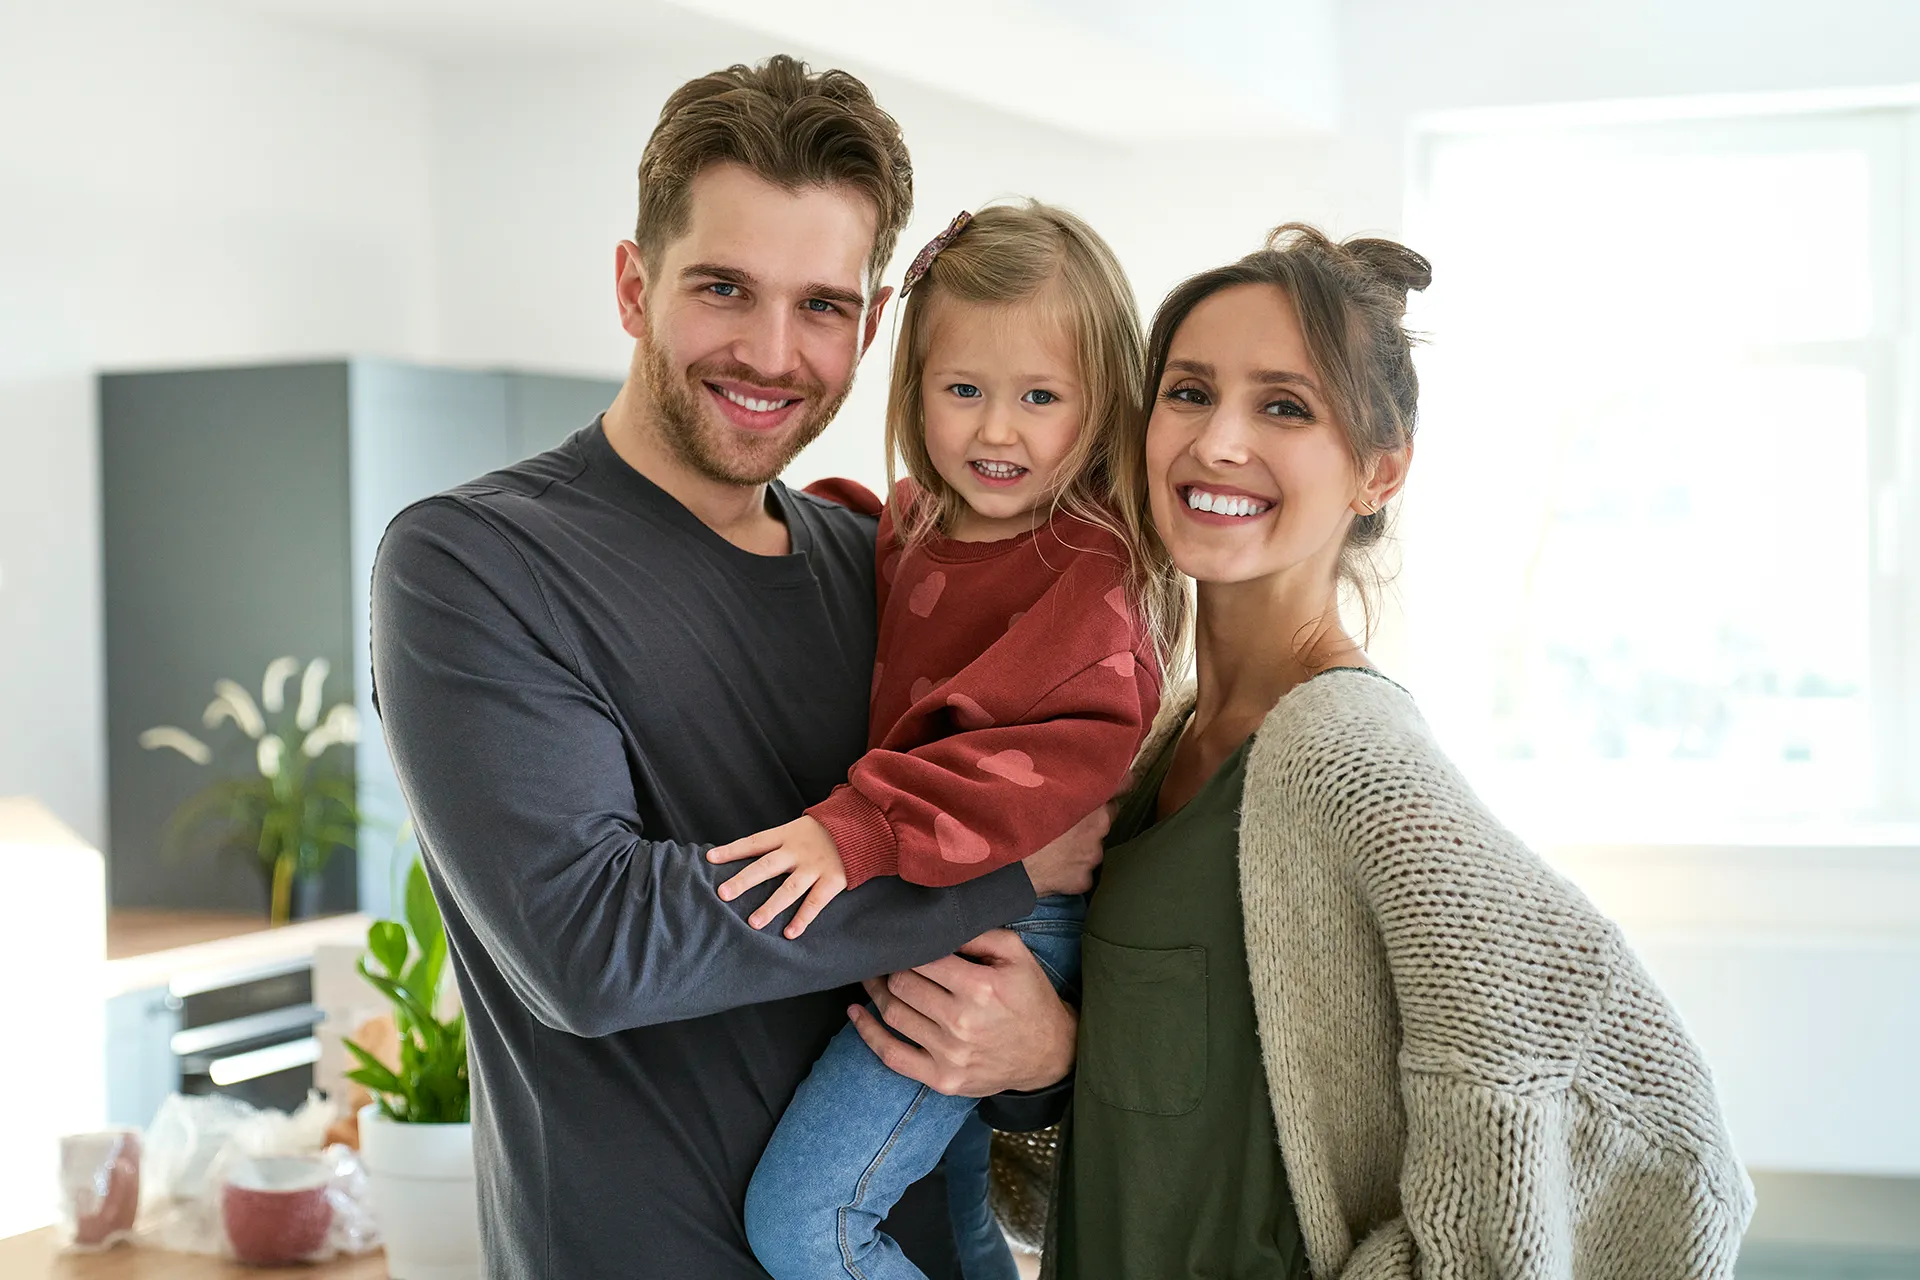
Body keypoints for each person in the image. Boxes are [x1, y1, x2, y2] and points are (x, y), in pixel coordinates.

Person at [855, 225, 1757, 1279]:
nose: (1219, 441)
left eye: (1284, 406)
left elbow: (1675, 1142)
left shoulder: (1348, 756)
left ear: (1378, 470)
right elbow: (1181, 1135)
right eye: (1188, 392)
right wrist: (1053, 1053)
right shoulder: (1156, 748)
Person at [370, 57, 1083, 1280]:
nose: (770, 350)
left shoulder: (881, 564)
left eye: (821, 305)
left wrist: (1041, 1053)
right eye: (724, 287)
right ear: (633, 285)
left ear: (869, 327)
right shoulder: (472, 563)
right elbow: (590, 946)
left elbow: (998, 1036)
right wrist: (993, 871)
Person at [705, 202, 1183, 1280]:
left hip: (1009, 917)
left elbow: (1040, 759)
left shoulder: (1094, 568)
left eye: (1040, 398)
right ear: (914, 384)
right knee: (958, 1210)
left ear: (1101, 401)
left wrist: (858, 829)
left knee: (807, 1220)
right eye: (963, 389)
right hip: (942, 898)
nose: (996, 431)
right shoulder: (923, 520)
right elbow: (888, 568)